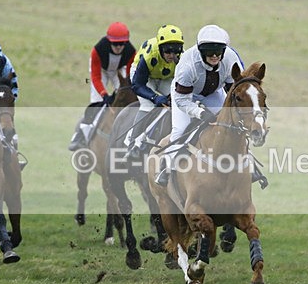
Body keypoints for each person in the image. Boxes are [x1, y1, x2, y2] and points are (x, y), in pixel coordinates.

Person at [154, 24, 244, 186]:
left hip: (213, 93)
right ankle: (166, 168)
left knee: (232, 124)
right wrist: (200, 113)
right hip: (185, 96)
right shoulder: (187, 67)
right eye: (210, 51)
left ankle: (249, 164)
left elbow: (235, 88)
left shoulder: (231, 59)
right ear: (201, 50)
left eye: (219, 51)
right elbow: (182, 101)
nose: (215, 55)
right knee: (179, 129)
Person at [68, 22, 136, 150]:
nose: (119, 47)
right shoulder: (98, 50)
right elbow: (95, 77)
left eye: (122, 43)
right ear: (109, 41)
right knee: (97, 104)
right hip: (101, 72)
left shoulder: (131, 51)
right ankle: (79, 136)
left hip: (118, 71)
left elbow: (128, 76)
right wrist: (104, 95)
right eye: (115, 43)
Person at [123, 24, 184, 157]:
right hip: (144, 77)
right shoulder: (149, 56)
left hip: (166, 77)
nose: (172, 55)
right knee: (149, 105)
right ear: (160, 48)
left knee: (177, 102)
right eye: (168, 50)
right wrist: (155, 97)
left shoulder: (181, 58)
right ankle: (133, 142)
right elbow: (137, 85)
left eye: (176, 50)